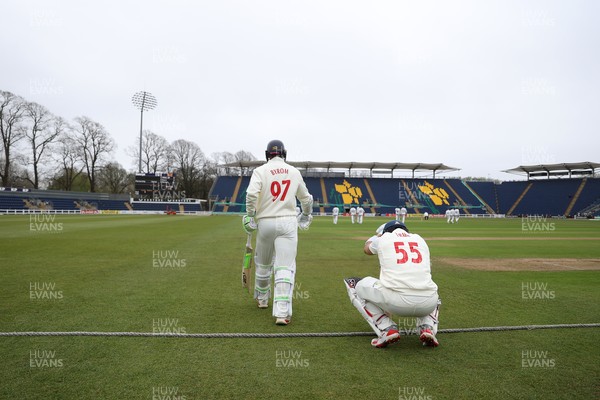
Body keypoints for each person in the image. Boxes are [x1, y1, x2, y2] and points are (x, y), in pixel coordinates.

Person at [243, 139, 313, 325]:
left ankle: (263, 299)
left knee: (263, 264)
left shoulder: (260, 171)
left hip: (265, 221)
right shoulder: (294, 171)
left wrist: (250, 215)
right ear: (284, 153)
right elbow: (306, 199)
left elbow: (251, 195)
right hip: (287, 222)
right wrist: (305, 214)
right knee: (284, 267)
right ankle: (282, 313)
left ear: (267, 154)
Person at [344, 220, 440, 348]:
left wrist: (377, 236)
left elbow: (366, 249)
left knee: (354, 284)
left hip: (396, 301)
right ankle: (427, 327)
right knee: (430, 289)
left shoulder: (384, 238)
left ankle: (386, 328)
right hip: (429, 303)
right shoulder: (420, 239)